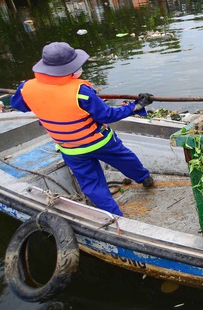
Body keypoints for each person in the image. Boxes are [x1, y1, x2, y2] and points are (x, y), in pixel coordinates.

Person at [10, 42, 155, 216]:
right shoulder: (81, 92)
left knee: (92, 184)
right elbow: (106, 115)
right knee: (125, 159)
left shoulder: (26, 88)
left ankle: (114, 217)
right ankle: (144, 179)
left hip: (70, 148)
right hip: (100, 142)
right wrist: (135, 106)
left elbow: (19, 105)